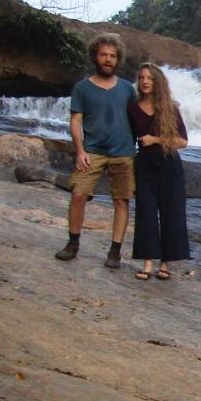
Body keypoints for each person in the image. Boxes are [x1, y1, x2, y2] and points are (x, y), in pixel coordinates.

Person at [55, 33, 137, 268]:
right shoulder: (82, 88)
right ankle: (73, 243)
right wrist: (79, 151)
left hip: (123, 152)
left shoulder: (127, 89)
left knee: (121, 201)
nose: (108, 59)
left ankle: (115, 251)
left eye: (112, 55)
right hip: (92, 151)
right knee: (78, 194)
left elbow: (139, 116)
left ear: (117, 59)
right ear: (95, 57)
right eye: (103, 55)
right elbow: (75, 121)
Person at [128, 62, 190, 279]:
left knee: (171, 213)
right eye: (142, 78)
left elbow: (183, 141)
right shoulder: (133, 107)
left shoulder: (170, 108)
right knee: (146, 212)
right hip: (144, 166)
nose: (145, 81)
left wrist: (155, 139)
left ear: (158, 82)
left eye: (150, 78)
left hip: (169, 165)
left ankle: (165, 264)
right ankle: (147, 264)